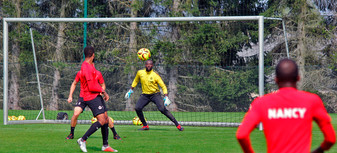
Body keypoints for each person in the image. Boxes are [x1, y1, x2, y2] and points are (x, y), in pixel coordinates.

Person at [236, 58, 336, 153]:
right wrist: (319, 150)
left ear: (276, 79)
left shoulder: (261, 103)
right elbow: (331, 139)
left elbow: (241, 135)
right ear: (298, 78)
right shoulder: (312, 101)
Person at [76, 46, 117, 152]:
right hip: (91, 97)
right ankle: (83, 139)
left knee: (106, 119)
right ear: (93, 55)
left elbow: (94, 83)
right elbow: (91, 86)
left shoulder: (90, 66)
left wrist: (102, 92)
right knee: (102, 120)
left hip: (96, 96)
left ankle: (105, 145)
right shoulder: (86, 67)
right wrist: (103, 91)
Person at [125, 60, 184, 131]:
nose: (148, 65)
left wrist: (166, 96)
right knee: (137, 108)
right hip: (145, 95)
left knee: (162, 109)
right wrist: (130, 90)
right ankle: (145, 126)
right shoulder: (140, 73)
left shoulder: (155, 75)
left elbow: (163, 86)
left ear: (152, 66)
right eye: (147, 64)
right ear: (145, 65)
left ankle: (178, 125)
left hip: (155, 95)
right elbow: (136, 81)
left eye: (150, 64)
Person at [66, 70, 121, 140]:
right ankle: (71, 134)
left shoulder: (98, 73)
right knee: (76, 113)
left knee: (105, 117)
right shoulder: (80, 73)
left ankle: (115, 134)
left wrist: (102, 92)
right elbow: (74, 83)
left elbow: (103, 85)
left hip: (95, 98)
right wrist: (70, 96)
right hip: (83, 97)